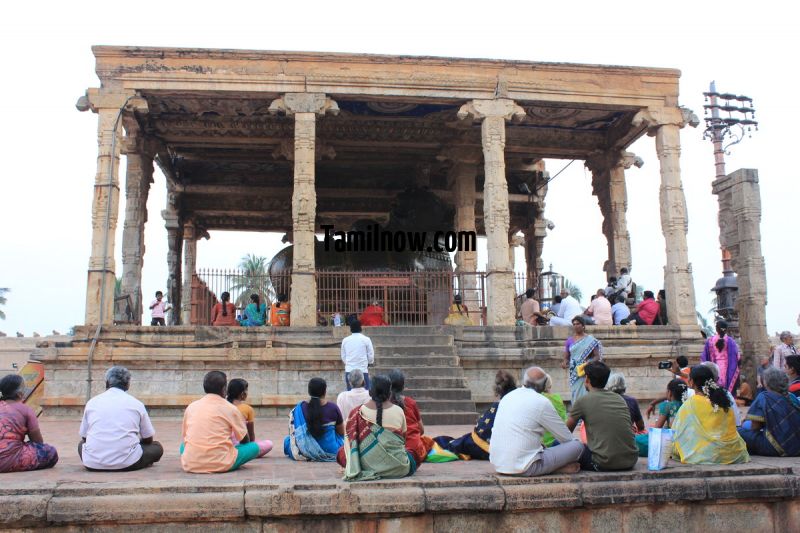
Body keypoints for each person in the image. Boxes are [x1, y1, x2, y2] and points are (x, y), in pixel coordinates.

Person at [490, 367, 584, 477]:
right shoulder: (542, 402)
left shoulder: (507, 397)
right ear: (544, 385)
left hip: (499, 464)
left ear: (524, 381)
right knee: (577, 446)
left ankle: (548, 466)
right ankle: (555, 469)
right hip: (526, 467)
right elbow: (567, 438)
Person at [79, 366, 163, 471]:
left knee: (81, 445)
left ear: (106, 383)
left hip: (93, 463)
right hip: (127, 463)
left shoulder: (92, 403)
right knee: (157, 447)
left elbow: (84, 438)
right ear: (128, 385)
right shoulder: (136, 404)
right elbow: (148, 438)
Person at [180, 371, 260, 473]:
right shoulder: (230, 408)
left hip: (190, 464)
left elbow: (185, 436)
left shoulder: (191, 407)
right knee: (254, 447)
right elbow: (245, 441)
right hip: (221, 463)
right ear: (224, 389)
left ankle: (195, 459)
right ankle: (219, 460)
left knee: (183, 446)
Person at [339, 374, 414, 480]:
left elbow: (349, 442)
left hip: (366, 466)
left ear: (370, 391)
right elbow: (404, 439)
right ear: (389, 392)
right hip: (399, 467)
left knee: (342, 453)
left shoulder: (357, 413)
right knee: (412, 459)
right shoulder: (399, 411)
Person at [566, 362, 638, 471]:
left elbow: (565, 433)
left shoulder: (583, 401)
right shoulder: (619, 399)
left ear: (587, 379)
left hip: (603, 463)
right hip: (630, 460)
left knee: (559, 444)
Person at [672, 365, 749, 464]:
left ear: (691, 382)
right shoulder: (723, 398)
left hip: (707, 454)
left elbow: (677, 432)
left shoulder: (691, 403)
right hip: (732, 452)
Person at [434, 370, 517, 460]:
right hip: (514, 448)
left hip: (490, 449)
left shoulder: (499, 405)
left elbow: (482, 433)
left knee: (458, 443)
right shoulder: (520, 401)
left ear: (497, 389)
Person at [0, 374, 58, 473]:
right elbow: (37, 442)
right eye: (24, 387)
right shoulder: (25, 409)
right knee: (50, 451)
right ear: (19, 394)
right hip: (9, 462)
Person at [738, 367, 800, 457]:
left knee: (739, 431)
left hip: (777, 447)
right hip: (797, 447)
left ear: (767, 383)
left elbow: (755, 428)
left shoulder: (764, 397)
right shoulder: (792, 397)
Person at [284, 377, 344, 461]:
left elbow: (295, 432)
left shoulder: (300, 408)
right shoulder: (333, 408)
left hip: (305, 450)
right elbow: (341, 432)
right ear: (325, 391)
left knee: (287, 441)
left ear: (309, 391)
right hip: (331, 450)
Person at [635, 378, 688, 456]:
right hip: (684, 442)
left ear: (669, 393)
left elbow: (657, 429)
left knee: (637, 440)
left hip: (668, 442)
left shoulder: (667, 406)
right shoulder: (687, 405)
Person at [388, 369, 428, 466]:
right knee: (427, 442)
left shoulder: (385, 406)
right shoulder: (411, 403)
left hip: (394, 454)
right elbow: (421, 430)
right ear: (403, 387)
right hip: (415, 453)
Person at [226, 379, 273, 458]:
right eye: (246, 390)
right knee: (269, 443)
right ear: (242, 394)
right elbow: (251, 436)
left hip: (224, 446)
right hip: (239, 447)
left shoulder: (223, 406)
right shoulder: (247, 409)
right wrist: (251, 447)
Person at [561, 316, 602, 404]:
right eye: (574, 324)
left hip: (585, 370)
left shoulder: (591, 340)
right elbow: (566, 357)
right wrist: (564, 363)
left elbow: (597, 357)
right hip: (574, 371)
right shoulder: (569, 341)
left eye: (578, 324)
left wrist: (587, 363)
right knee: (575, 393)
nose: (576, 326)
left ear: (583, 326)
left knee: (585, 392)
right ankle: (577, 413)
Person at [700, 320, 740, 393]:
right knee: (726, 386)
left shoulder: (710, 341)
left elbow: (704, 356)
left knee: (715, 383)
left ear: (716, 329)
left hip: (714, 366)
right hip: (727, 367)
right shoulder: (730, 341)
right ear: (726, 329)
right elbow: (736, 356)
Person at [341, 320, 374, 391]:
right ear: (360, 328)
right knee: (365, 395)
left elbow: (343, 356)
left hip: (349, 370)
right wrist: (369, 363)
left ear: (350, 329)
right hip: (363, 370)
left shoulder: (345, 340)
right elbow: (371, 355)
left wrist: (349, 364)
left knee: (350, 394)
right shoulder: (366, 339)